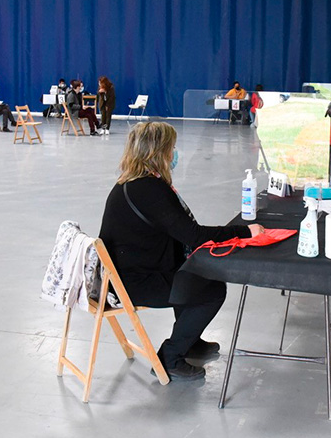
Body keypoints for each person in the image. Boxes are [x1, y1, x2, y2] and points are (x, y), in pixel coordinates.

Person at [99, 122, 265, 381]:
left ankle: (189, 340)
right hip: (132, 283)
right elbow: (193, 235)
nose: (175, 153)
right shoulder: (149, 190)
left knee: (189, 274)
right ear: (159, 152)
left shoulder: (134, 183)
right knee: (211, 289)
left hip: (131, 272)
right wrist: (244, 231)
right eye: (172, 148)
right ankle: (170, 356)